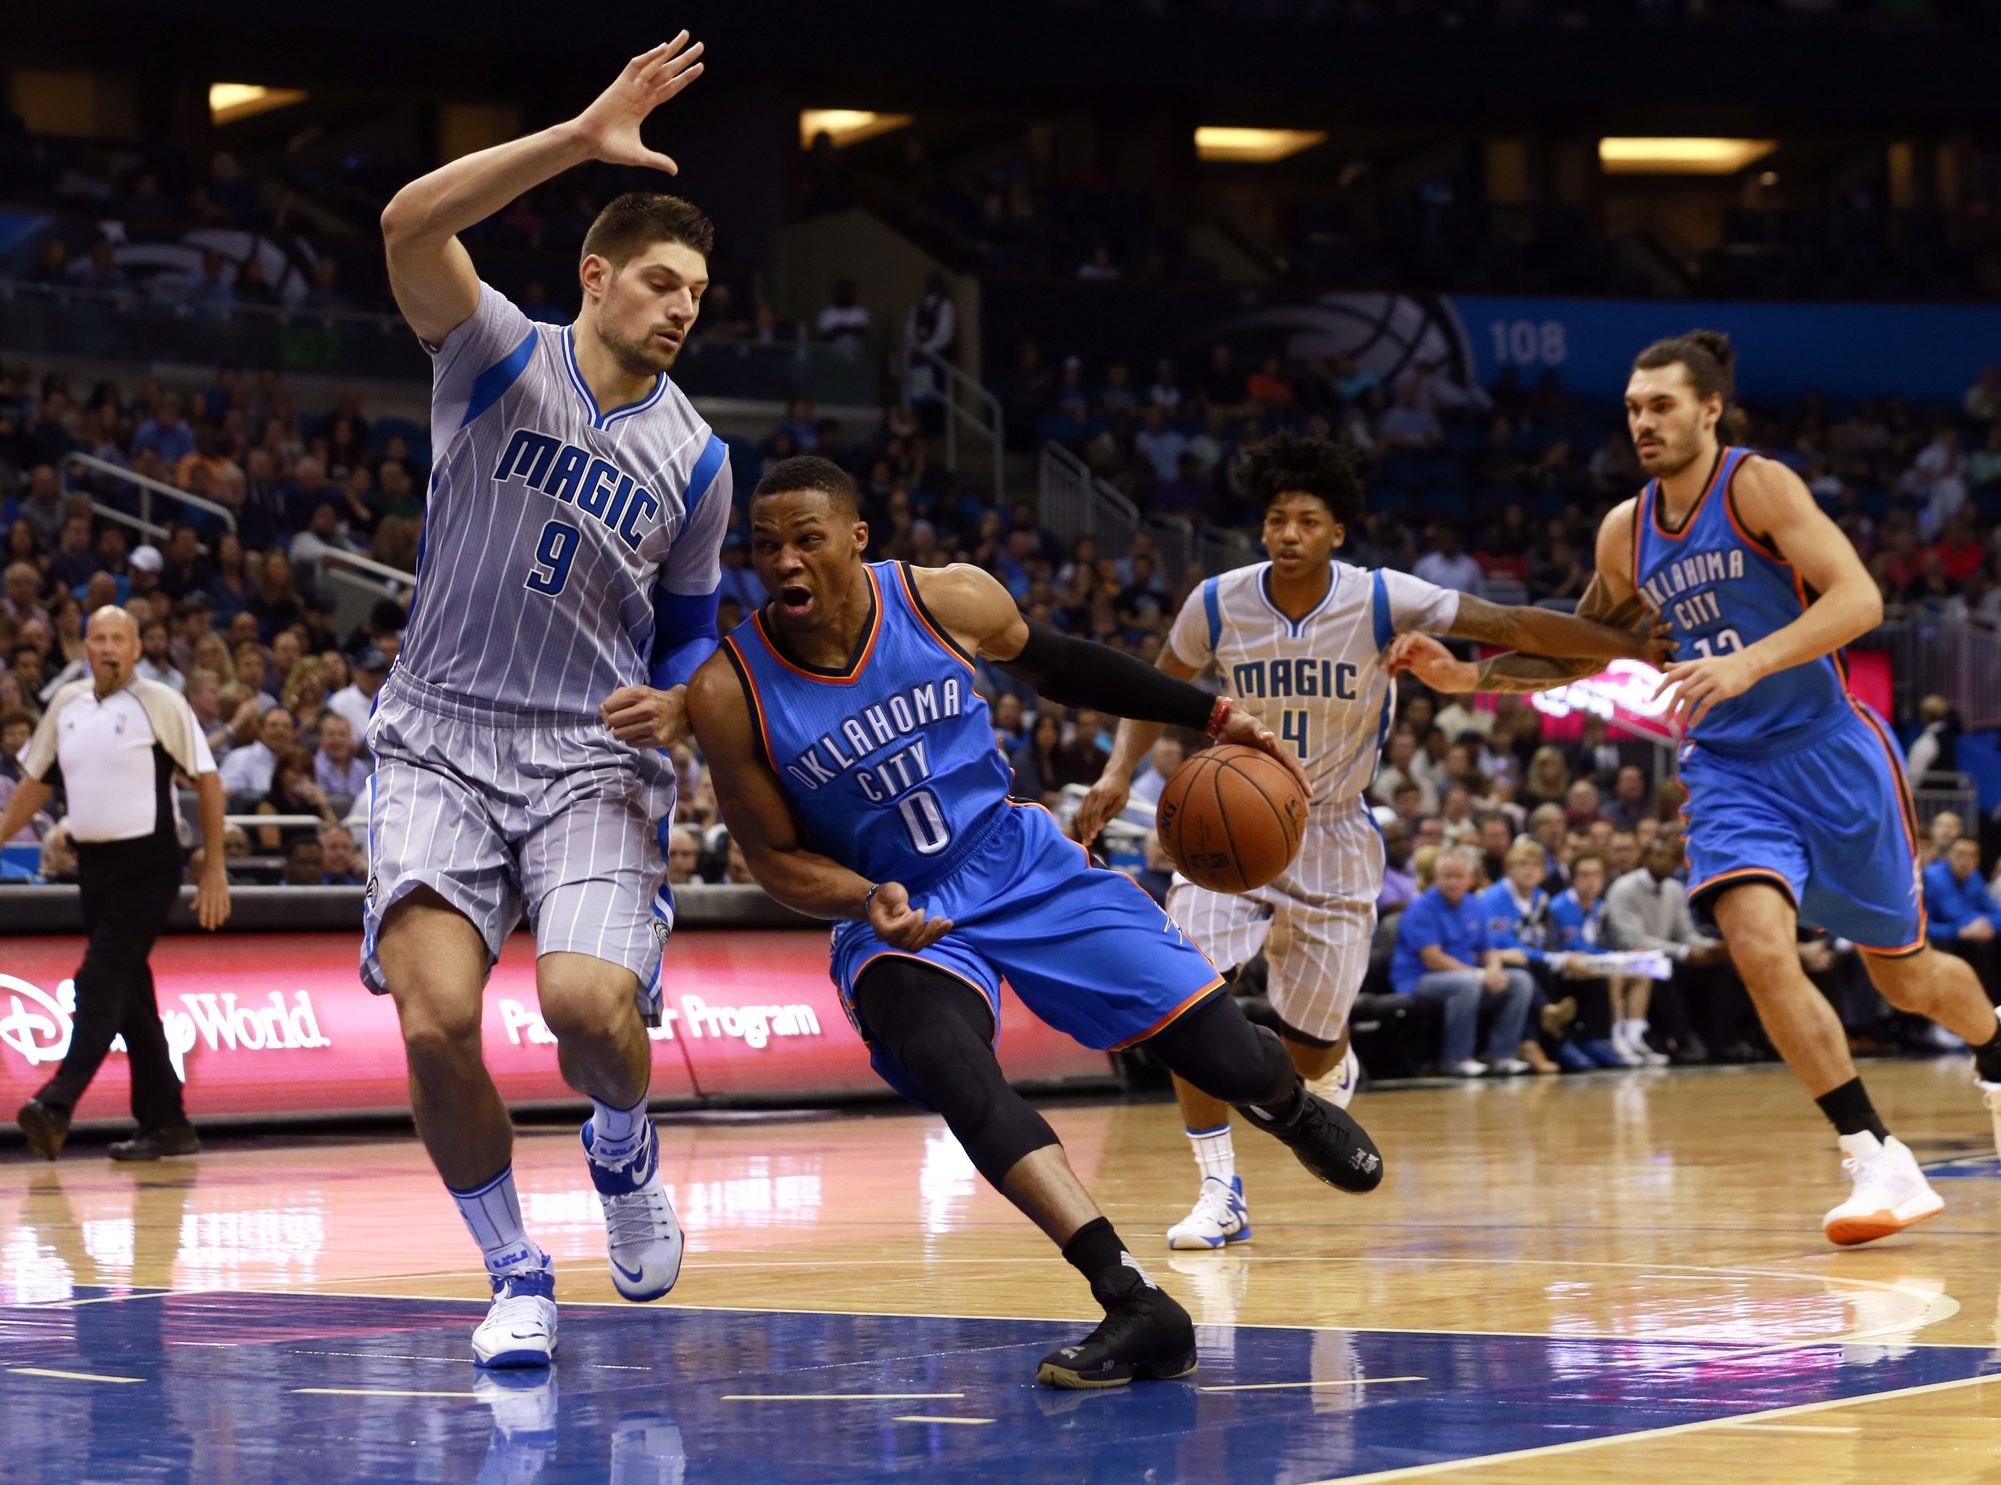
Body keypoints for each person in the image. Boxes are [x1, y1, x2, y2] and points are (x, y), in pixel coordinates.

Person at [688, 455, 1384, 1390]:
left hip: (1016, 857)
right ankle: (1131, 1296)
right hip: (899, 912)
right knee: (952, 1068)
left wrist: (1214, 713)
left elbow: (1063, 666)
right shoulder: (730, 690)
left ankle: (1288, 1105)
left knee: (1225, 1054)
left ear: (856, 539)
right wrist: (863, 898)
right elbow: (771, 858)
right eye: (764, 546)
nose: (783, 562)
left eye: (806, 539)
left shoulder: (944, 600)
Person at [1394, 328, 2001, 1246]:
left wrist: (1746, 662)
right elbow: (1581, 644)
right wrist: (1469, 678)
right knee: (1756, 942)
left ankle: (1994, 1044)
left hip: (1831, 749)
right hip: (1728, 768)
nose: (1643, 421)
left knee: (1905, 975)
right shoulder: (1624, 531)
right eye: (1633, 407)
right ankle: (1874, 1153)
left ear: (1709, 408)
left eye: (1662, 405)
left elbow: (1858, 599)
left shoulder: (1757, 486)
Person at [1075, 433, 1666, 1250]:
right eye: (1276, 519)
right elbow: (1152, 688)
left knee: (1309, 1053)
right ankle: (1219, 1188)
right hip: (1232, 828)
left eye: (1306, 520)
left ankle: (1332, 1062)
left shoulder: (1383, 597)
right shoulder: (1215, 601)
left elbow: (1508, 621)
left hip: (1333, 831)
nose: (1287, 533)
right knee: (1185, 1001)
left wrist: (1626, 644)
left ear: (1336, 532)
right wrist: (1116, 773)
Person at [371, 37, 725, 1369]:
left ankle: (623, 1143)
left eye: (697, 289)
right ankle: (516, 1266)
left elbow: (691, 636)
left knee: (583, 1006)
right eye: (658, 278)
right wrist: (581, 138)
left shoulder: (699, 454)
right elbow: (408, 220)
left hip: (591, 753)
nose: (682, 304)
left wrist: (682, 705)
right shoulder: (491, 352)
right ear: (595, 273)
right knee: (434, 1020)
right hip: (439, 732)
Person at [1, 607, 231, 1161]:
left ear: (134, 649)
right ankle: (167, 1123)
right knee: (130, 997)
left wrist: (215, 866)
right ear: (84, 646)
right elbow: (36, 782)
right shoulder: (67, 703)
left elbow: (207, 780)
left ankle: (57, 1103)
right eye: (98, 638)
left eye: (117, 639)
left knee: (98, 979)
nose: (107, 648)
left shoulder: (161, 703)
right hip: (92, 868)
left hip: (149, 864)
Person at [1390, 846, 1536, 1077]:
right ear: (1436, 878)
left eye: (1459, 877)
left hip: (1466, 974)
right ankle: (1457, 1059)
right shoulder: (1421, 907)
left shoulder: (1472, 904)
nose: (1453, 882)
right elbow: (1433, 959)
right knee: (1468, 984)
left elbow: (1488, 949)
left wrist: (1494, 969)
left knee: (1520, 981)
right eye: (1447, 876)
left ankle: (1502, 1056)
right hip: (1420, 980)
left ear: (1470, 880)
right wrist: (1479, 975)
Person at [1926, 837, 2001, 998]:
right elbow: (1922, 925)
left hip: (1970, 937)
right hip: (1942, 940)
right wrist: (1960, 931)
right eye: (1960, 854)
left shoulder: (1974, 877)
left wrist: (1984, 923)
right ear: (1949, 856)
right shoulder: (1931, 877)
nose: (1966, 861)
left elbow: (1996, 914)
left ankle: (1992, 1008)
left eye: (1972, 855)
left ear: (1978, 860)